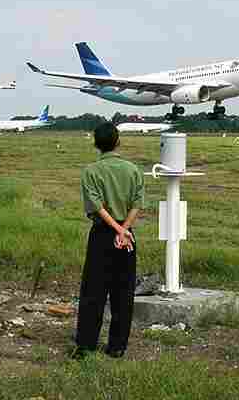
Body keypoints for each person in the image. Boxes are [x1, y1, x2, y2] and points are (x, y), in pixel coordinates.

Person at [73, 122, 144, 359]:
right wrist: (124, 231)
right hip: (127, 236)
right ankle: (117, 346)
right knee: (123, 292)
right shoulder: (133, 170)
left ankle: (86, 345)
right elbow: (137, 204)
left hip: (103, 234)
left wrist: (115, 230)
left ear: (96, 144)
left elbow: (97, 206)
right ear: (118, 141)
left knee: (93, 291)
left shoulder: (90, 171)